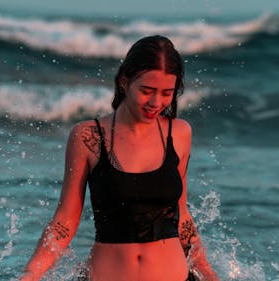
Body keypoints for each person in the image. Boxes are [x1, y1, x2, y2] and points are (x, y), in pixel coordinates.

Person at [20, 35, 219, 281]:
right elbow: (65, 220)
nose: (156, 102)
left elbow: (181, 213)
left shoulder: (179, 133)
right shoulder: (87, 137)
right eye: (146, 91)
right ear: (124, 81)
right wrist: (31, 274)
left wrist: (207, 272)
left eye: (167, 93)